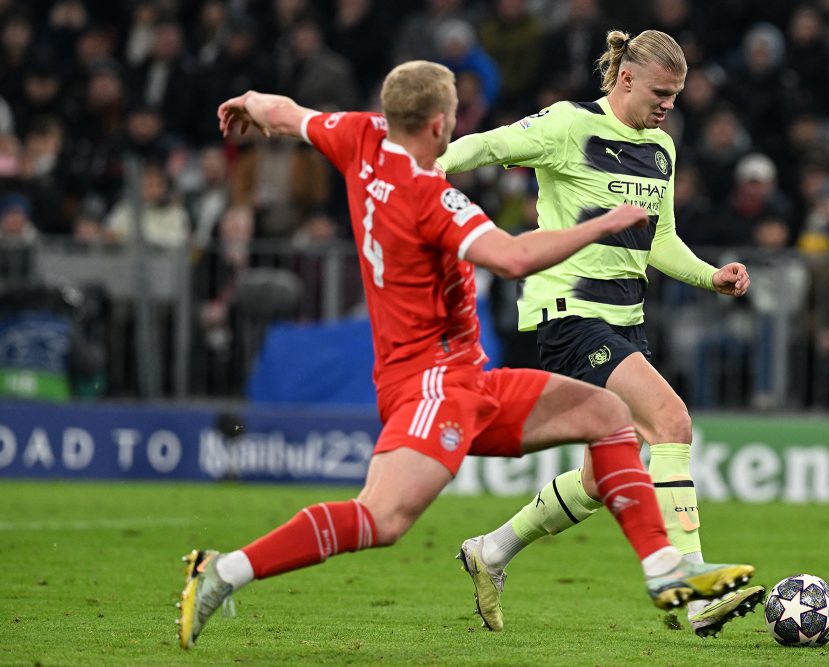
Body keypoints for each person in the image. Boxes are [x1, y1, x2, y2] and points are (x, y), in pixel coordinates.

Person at [177, 60, 756, 649]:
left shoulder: (358, 137)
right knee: (381, 519)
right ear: (437, 124)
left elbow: (291, 114)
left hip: (467, 378)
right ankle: (224, 572)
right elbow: (510, 259)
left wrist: (249, 99)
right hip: (431, 386)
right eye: (453, 118)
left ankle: (658, 568)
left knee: (608, 422)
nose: (456, 127)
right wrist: (599, 225)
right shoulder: (431, 198)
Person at [436, 30, 764, 637]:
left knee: (600, 476)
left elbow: (659, 241)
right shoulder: (569, 126)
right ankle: (690, 587)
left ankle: (490, 551)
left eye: (677, 96)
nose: (668, 105)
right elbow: (486, 144)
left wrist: (710, 276)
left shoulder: (661, 150)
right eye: (661, 93)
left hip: (624, 322)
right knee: (672, 421)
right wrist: (423, 169)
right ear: (626, 79)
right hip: (571, 316)